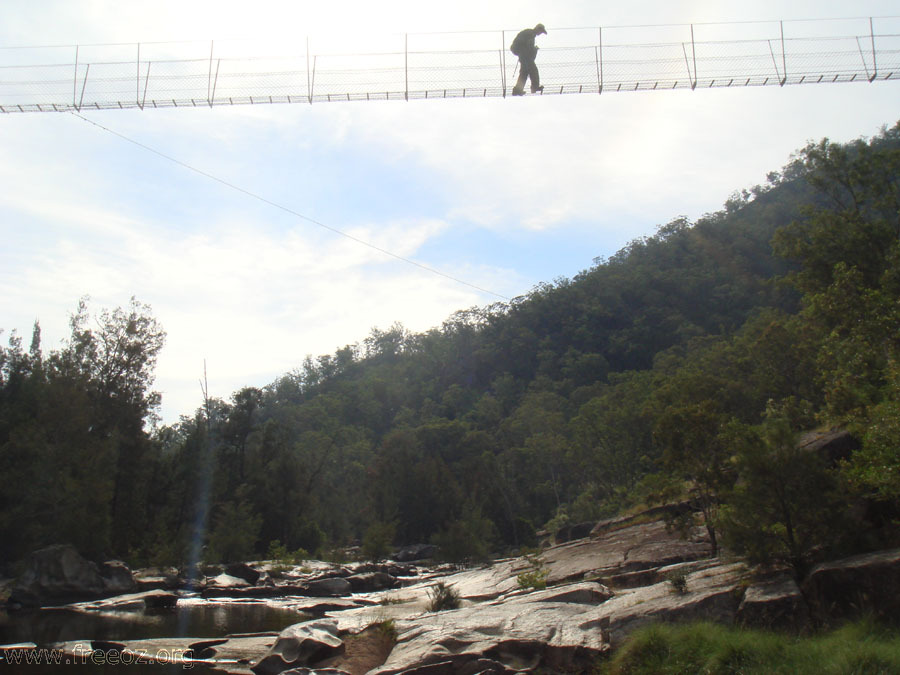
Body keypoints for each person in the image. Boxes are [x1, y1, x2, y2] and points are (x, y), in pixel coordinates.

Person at [510, 23, 547, 96]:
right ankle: (535, 87)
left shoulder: (529, 33)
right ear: (538, 29)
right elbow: (529, 47)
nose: (540, 33)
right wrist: (535, 50)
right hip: (524, 54)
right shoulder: (531, 34)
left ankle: (517, 90)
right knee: (533, 70)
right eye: (541, 31)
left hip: (522, 53)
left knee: (524, 72)